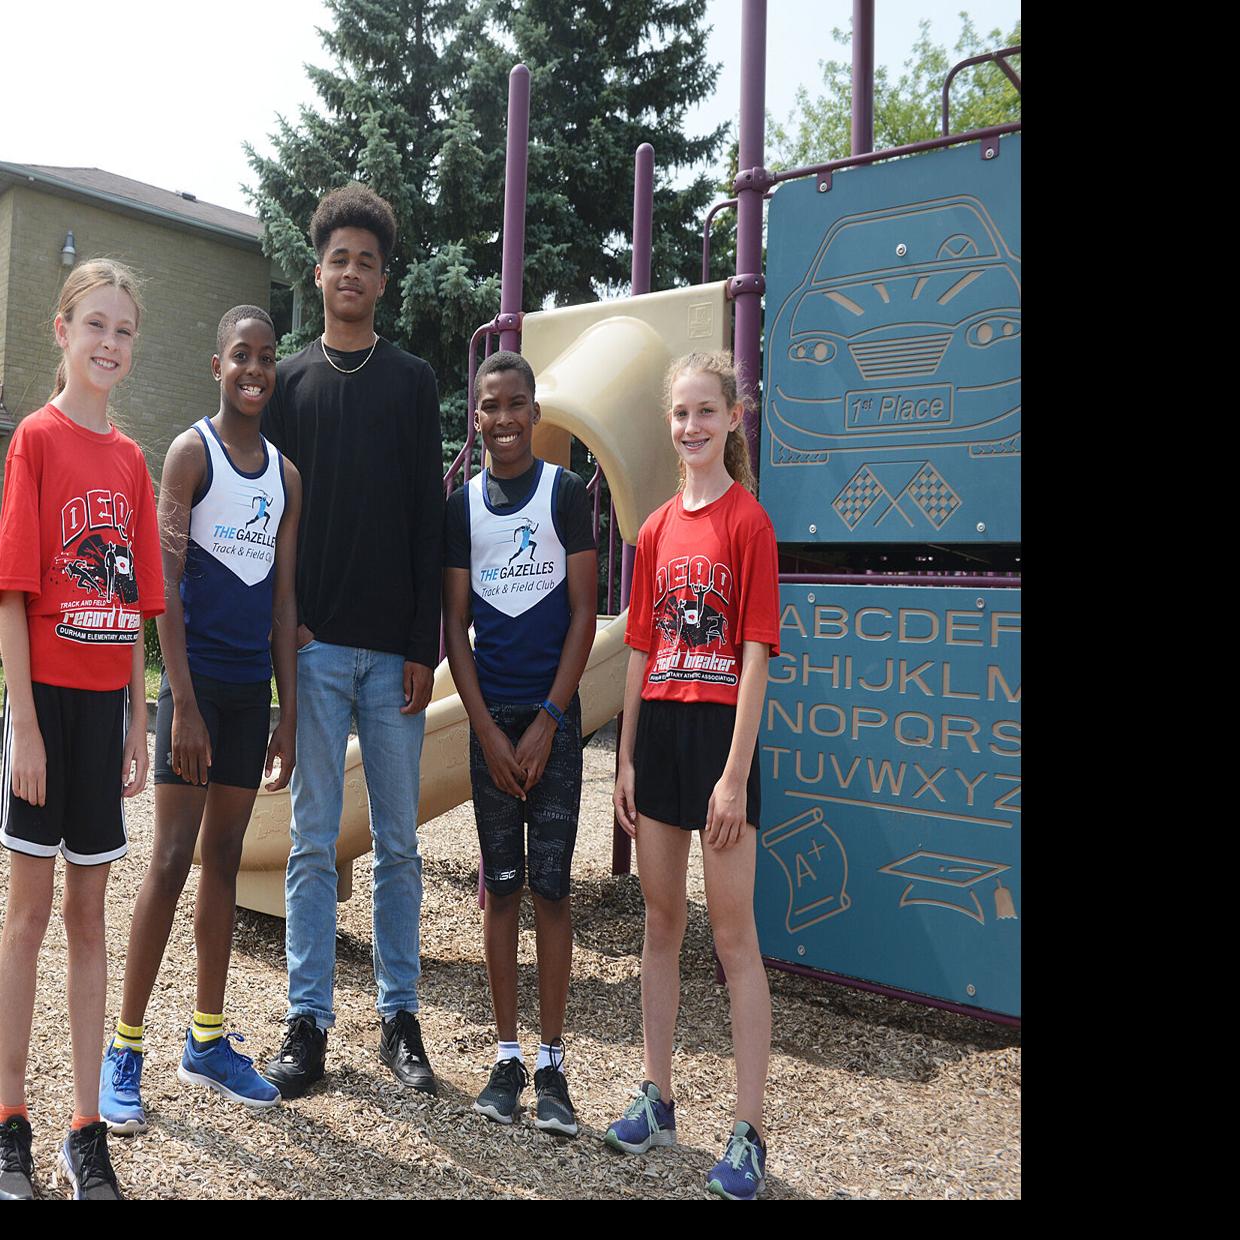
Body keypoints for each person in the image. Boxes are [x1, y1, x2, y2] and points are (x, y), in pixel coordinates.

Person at [260, 183, 444, 1098]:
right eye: (339, 258)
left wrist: (426, 644)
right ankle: (307, 1021)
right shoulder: (290, 384)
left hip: (394, 657)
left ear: (383, 277)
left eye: (368, 261)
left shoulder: (411, 383)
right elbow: (274, 520)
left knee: (401, 844)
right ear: (319, 267)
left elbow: (427, 521)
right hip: (316, 648)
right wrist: (282, 632)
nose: (352, 273)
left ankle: (399, 1019)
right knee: (309, 842)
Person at [99, 306, 301, 1134]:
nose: (253, 369)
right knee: (172, 858)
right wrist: (178, 700)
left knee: (224, 854)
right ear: (217, 366)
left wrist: (286, 710)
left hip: (251, 694)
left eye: (265, 358)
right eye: (239, 356)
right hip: (193, 692)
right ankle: (126, 1046)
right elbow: (164, 594)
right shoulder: (191, 454)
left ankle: (208, 1041)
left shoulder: (287, 476)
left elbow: (285, 601)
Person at [0, 259, 163, 1200]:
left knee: (89, 917)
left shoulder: (132, 461)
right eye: (94, 324)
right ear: (61, 331)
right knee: (25, 917)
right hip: (44, 709)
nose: (109, 342)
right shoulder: (37, 439)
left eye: (124, 330)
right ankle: (12, 1118)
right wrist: (24, 724)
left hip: (105, 713)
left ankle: (84, 1127)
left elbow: (134, 603)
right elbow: (16, 594)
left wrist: (138, 719)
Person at [605, 351, 779, 1201]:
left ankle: (747, 1132)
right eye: (680, 414)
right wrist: (626, 759)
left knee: (735, 939)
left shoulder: (749, 524)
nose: (692, 427)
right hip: (662, 733)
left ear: (732, 418)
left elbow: (754, 654)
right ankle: (659, 1096)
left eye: (706, 411)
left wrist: (736, 776)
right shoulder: (656, 529)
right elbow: (640, 649)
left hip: (722, 741)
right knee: (662, 921)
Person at [442, 351, 597, 1136]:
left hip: (552, 726)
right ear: (476, 416)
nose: (501, 418)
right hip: (490, 730)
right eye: (488, 406)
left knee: (552, 890)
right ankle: (506, 1056)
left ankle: (552, 1063)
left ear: (535, 411)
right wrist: (487, 730)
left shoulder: (567, 496)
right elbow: (455, 630)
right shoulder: (462, 505)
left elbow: (581, 615)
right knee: (500, 890)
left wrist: (545, 721)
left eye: (515, 404)